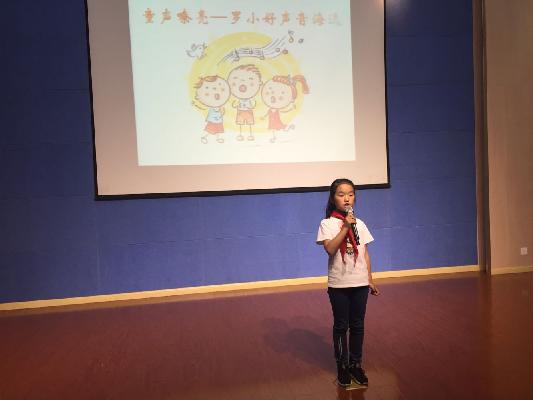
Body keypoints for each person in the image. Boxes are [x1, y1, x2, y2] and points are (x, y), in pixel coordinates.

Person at [316, 178, 380, 387]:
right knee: (341, 325)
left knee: (358, 325)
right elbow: (330, 249)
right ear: (333, 198)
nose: (346, 198)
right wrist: (345, 227)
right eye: (341, 194)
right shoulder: (327, 224)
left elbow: (365, 253)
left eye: (350, 194)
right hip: (339, 284)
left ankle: (355, 363)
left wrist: (369, 279)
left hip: (359, 282)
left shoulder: (359, 223)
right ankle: (342, 365)